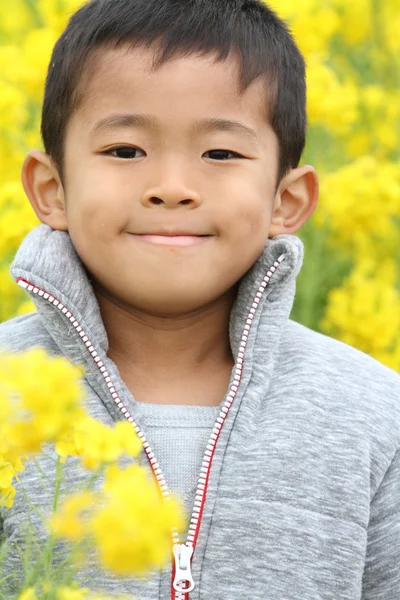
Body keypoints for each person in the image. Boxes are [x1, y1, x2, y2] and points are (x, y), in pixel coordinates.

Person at [0, 0, 399, 598]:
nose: (172, 189)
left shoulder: (373, 414)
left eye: (220, 154)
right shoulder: (7, 391)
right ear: (52, 189)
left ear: (285, 202)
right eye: (125, 151)